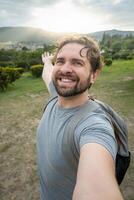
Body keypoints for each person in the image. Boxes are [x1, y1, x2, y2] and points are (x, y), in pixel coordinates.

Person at [37, 36, 124, 200]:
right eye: (60, 61)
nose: (65, 69)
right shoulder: (55, 97)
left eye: (77, 63)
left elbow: (96, 190)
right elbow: (48, 74)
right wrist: (48, 62)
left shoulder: (94, 126)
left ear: (94, 75)